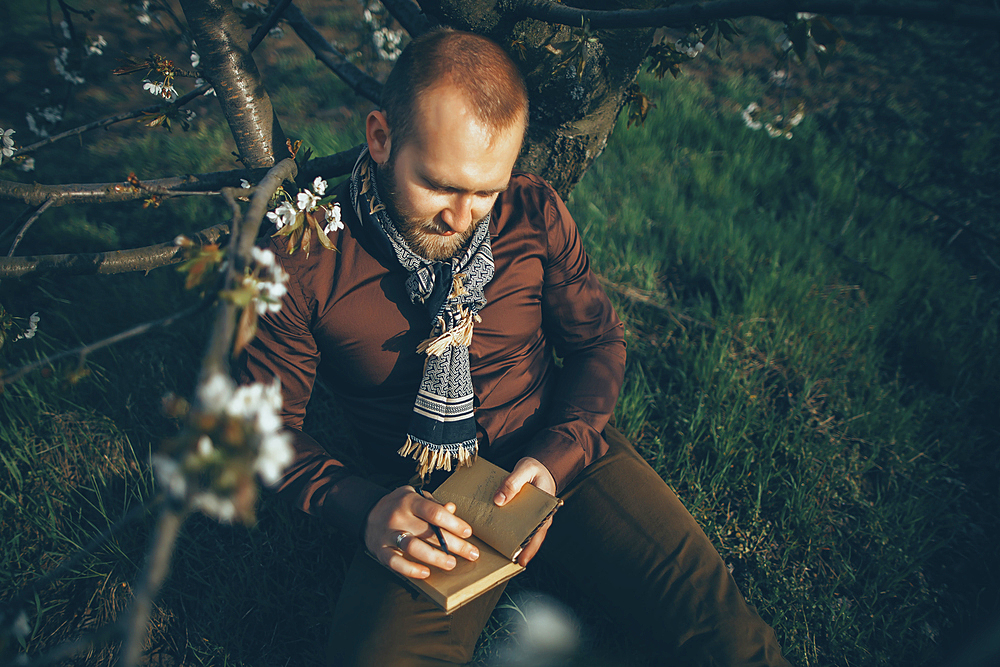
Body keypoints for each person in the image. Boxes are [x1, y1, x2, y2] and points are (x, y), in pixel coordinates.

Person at [238, 27, 789, 667]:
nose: (462, 217)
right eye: (439, 185)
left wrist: (557, 458)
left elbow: (598, 343)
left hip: (555, 451)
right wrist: (365, 509)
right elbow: (260, 428)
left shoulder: (531, 213)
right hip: (427, 501)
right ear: (382, 138)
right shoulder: (304, 262)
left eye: (485, 191)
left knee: (729, 638)